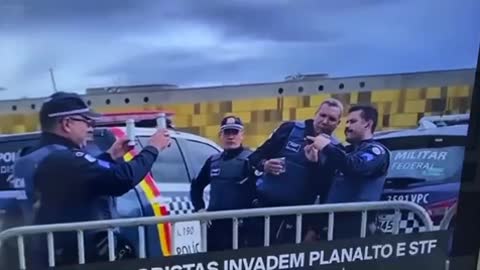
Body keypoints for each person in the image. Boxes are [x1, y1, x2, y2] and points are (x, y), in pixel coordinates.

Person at [15, 92, 170, 267]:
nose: (91, 127)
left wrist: (111, 155)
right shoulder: (63, 158)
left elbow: (78, 181)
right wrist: (153, 148)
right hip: (76, 255)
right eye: (87, 121)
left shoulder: (31, 156)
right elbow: (121, 180)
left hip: (43, 253)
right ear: (67, 123)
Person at [248, 98, 344, 244]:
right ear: (315, 114)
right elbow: (255, 156)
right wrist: (264, 164)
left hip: (296, 218)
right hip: (263, 209)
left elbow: (325, 191)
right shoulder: (290, 129)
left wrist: (315, 229)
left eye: (331, 119)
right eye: (322, 115)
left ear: (338, 123)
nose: (325, 122)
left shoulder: (336, 150)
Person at [306, 104, 390, 239]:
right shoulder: (346, 152)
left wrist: (327, 147)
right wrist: (314, 162)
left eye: (353, 121)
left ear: (367, 124)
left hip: (356, 229)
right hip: (331, 226)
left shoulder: (376, 151)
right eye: (347, 122)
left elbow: (354, 166)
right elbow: (326, 188)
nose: (347, 126)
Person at [190, 116, 257, 251]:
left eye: (235, 132)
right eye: (227, 132)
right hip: (216, 226)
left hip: (242, 227)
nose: (231, 136)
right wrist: (200, 210)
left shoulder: (252, 159)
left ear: (242, 135)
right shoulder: (213, 161)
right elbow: (196, 186)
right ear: (221, 135)